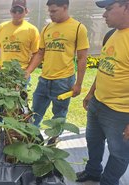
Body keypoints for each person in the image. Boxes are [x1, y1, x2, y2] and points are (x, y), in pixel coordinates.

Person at [76, 0, 129, 184]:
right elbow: (105, 68)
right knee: (93, 141)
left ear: (126, 6)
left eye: (109, 9)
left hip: (121, 113)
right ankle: (93, 172)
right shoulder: (111, 34)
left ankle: (108, 181)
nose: (104, 15)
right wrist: (91, 93)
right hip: (98, 103)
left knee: (119, 153)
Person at [26, 0, 89, 130]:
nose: (51, 14)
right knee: (35, 112)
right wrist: (28, 71)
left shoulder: (78, 28)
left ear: (65, 8)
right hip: (44, 79)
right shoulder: (47, 28)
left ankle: (53, 141)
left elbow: (82, 58)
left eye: (54, 11)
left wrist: (78, 84)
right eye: (49, 11)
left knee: (59, 115)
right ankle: (32, 139)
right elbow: (40, 53)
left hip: (64, 81)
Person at [0, 0, 40, 79]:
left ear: (26, 11)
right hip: (4, 72)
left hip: (21, 73)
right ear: (10, 11)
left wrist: (28, 71)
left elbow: (36, 53)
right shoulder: (2, 27)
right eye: (14, 10)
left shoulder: (32, 30)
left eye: (20, 11)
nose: (17, 13)